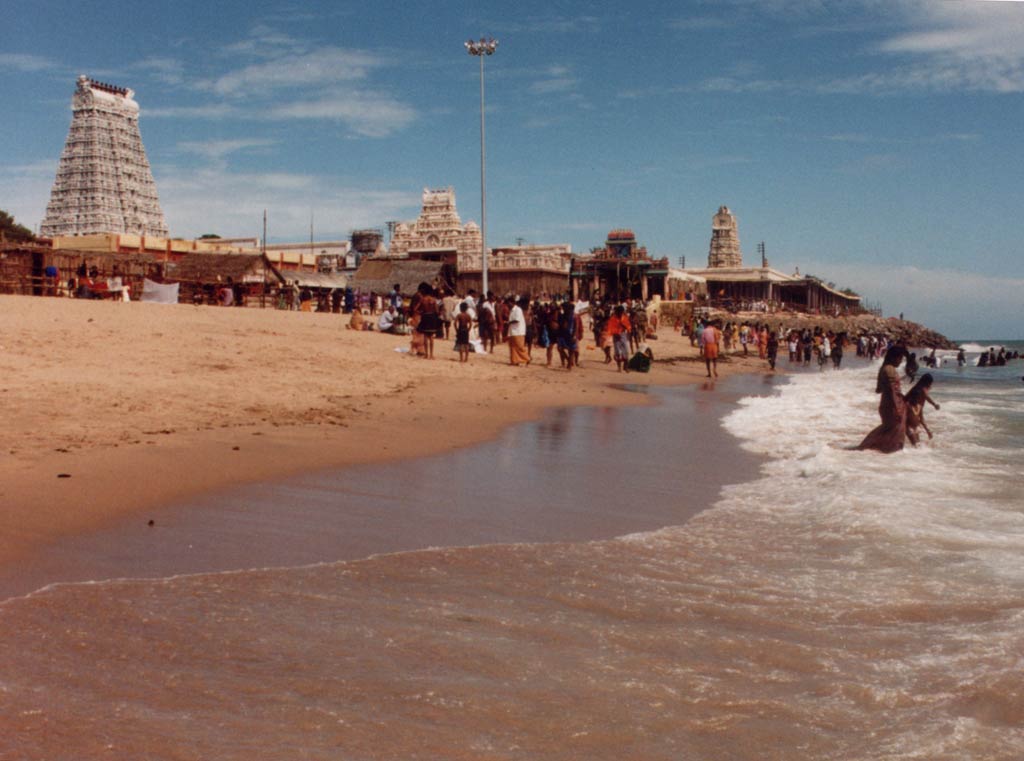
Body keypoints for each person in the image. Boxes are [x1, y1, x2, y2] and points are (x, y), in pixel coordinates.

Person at [857, 346, 908, 453]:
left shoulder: (885, 368)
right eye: (900, 358)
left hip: (886, 403)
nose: (900, 361)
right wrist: (897, 407)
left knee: (889, 429)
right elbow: (891, 390)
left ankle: (872, 449)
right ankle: (866, 447)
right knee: (892, 430)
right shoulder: (890, 369)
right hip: (892, 405)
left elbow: (879, 389)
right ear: (894, 357)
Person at [905, 373, 940, 446]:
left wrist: (928, 431)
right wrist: (934, 404)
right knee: (917, 445)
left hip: (910, 426)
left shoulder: (914, 394)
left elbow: (921, 418)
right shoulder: (917, 405)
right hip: (911, 426)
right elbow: (926, 397)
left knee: (917, 445)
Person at [412, 282, 440, 359]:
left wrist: (421, 312)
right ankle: (431, 355)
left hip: (425, 317)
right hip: (432, 317)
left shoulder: (423, 300)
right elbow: (437, 311)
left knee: (425, 336)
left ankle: (426, 354)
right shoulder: (433, 300)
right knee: (431, 337)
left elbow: (415, 309)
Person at [507, 296, 531, 366]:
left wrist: (508, 322)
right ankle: (514, 361)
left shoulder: (518, 310)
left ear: (512, 303)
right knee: (512, 347)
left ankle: (527, 358)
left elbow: (516, 320)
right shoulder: (511, 310)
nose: (508, 304)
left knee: (520, 347)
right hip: (512, 331)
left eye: (509, 303)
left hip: (518, 331)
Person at [608, 305, 632, 373]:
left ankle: (626, 367)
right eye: (619, 312)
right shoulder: (612, 319)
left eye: (621, 312)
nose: (620, 313)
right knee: (618, 352)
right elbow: (610, 329)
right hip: (616, 336)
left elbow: (629, 327)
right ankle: (619, 367)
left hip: (623, 335)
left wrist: (624, 326)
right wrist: (615, 333)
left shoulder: (624, 318)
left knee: (626, 351)